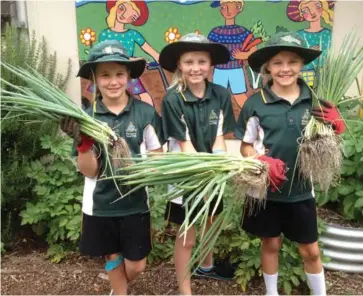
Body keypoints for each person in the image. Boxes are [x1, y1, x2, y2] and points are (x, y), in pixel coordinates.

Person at [234, 31, 344, 296]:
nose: (285, 69)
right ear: (268, 68)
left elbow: (326, 138)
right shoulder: (255, 103)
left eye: (292, 61)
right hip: (266, 190)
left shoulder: (315, 101)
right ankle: (271, 293)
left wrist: (337, 128)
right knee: (270, 244)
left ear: (301, 65)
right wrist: (261, 161)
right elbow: (245, 146)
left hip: (301, 190)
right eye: (278, 62)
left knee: (310, 249)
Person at [61, 40, 164, 295]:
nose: (113, 81)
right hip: (101, 204)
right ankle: (119, 292)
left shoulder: (144, 113)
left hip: (135, 203)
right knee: (112, 255)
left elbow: (157, 157)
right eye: (105, 75)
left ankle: (118, 286)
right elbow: (89, 171)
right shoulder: (87, 117)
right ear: (94, 79)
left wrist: (147, 171)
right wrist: (83, 143)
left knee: (137, 265)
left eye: (119, 74)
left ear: (129, 76)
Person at [159, 32, 236, 295]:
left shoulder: (220, 95)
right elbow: (186, 147)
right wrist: (209, 171)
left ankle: (206, 266)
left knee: (212, 219)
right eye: (189, 61)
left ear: (210, 64)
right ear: (180, 65)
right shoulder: (172, 99)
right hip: (185, 172)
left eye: (202, 61)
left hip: (211, 170)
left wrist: (222, 164)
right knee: (187, 234)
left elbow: (219, 140)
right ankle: (185, 289)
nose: (196, 68)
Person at [99, 0, 160, 106]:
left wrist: (160, 59)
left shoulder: (133, 34)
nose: (123, 15)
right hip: (110, 72)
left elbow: (149, 49)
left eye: (131, 16)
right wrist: (136, 60)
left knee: (144, 96)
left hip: (128, 72)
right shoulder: (105, 34)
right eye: (122, 8)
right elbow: (110, 55)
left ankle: (151, 118)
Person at [287, 0, 334, 85]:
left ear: (323, 8)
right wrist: (307, 54)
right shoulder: (299, 35)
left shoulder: (329, 34)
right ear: (301, 14)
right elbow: (292, 59)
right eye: (305, 10)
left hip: (324, 77)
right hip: (304, 76)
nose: (312, 12)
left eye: (317, 6)